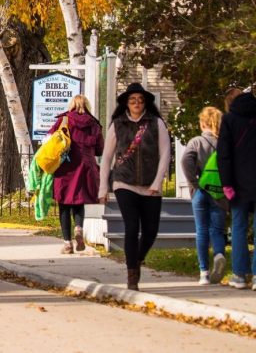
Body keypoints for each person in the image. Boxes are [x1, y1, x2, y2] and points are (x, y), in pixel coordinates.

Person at [98, 83, 171, 291]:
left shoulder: (156, 123)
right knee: (131, 226)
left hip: (150, 185)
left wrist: (158, 182)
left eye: (140, 100)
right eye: (133, 100)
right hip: (124, 183)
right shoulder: (118, 125)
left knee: (150, 231)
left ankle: (136, 259)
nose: (137, 103)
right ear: (127, 104)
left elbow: (165, 154)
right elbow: (107, 158)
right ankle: (132, 275)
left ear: (145, 102)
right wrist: (103, 187)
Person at [47, 95, 103, 254]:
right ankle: (78, 228)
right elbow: (100, 149)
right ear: (87, 105)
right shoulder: (94, 124)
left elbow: (50, 140)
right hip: (86, 167)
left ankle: (67, 244)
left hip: (66, 167)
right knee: (79, 202)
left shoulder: (64, 120)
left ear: (71, 105)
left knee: (64, 204)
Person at [181, 106, 227, 286]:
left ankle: (204, 273)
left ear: (202, 123)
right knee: (217, 230)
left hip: (200, 191)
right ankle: (219, 254)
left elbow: (186, 161)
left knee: (201, 230)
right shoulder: (224, 142)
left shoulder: (196, 142)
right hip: (219, 191)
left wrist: (194, 182)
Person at [218, 88, 256, 290]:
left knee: (239, 228)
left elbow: (224, 155)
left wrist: (227, 184)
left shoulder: (229, 119)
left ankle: (240, 275)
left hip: (238, 184)